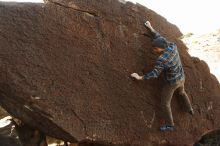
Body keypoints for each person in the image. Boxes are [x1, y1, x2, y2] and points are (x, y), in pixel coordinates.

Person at [131, 21, 194, 131]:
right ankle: (189, 109)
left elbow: (154, 74)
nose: (153, 50)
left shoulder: (162, 60)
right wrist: (151, 28)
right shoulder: (172, 46)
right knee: (182, 92)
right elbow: (160, 37)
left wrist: (140, 77)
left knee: (165, 103)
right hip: (181, 77)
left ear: (161, 48)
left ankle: (170, 125)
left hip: (172, 83)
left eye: (155, 48)